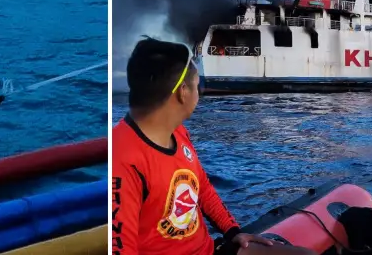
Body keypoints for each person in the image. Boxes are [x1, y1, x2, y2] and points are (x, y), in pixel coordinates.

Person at [112, 37, 313, 255]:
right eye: (199, 86)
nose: (201, 93)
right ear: (182, 93)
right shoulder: (124, 159)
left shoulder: (177, 132)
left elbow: (203, 189)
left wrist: (232, 231)